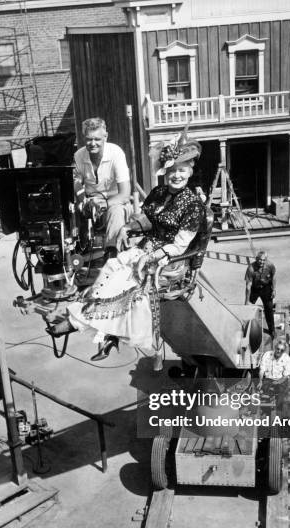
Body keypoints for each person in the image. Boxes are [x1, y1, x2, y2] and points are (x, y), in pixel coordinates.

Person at [49, 131, 204, 360]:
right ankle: (101, 331)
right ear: (165, 173)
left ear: (190, 172)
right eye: (172, 171)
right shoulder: (160, 193)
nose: (176, 176)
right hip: (146, 247)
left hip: (169, 260)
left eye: (181, 171)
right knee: (112, 267)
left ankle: (80, 325)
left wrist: (152, 256)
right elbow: (147, 219)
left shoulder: (192, 205)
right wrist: (127, 228)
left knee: (125, 282)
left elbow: (180, 246)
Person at [72, 117, 131, 259]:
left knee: (115, 211)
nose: (93, 143)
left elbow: (124, 194)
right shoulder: (79, 155)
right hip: (91, 201)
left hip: (115, 200)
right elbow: (75, 182)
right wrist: (84, 201)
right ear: (84, 138)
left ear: (106, 136)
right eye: (88, 139)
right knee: (70, 209)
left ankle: (112, 253)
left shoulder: (116, 153)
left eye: (97, 139)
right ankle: (75, 253)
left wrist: (103, 204)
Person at [245, 251, 276, 337]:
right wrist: (247, 301)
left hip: (266, 288)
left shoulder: (270, 265)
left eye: (264, 260)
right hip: (254, 289)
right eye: (260, 260)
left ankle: (272, 330)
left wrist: (274, 290)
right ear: (256, 259)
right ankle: (245, 327)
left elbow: (274, 278)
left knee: (269, 309)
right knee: (248, 308)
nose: (262, 262)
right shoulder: (251, 268)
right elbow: (248, 285)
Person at [257, 340, 290, 412]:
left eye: (282, 350)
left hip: (281, 379)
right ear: (275, 348)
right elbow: (262, 370)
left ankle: (279, 411)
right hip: (268, 378)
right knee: (264, 391)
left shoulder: (286, 358)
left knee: (281, 394)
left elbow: (286, 375)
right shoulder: (267, 355)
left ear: (284, 351)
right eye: (278, 349)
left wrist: (278, 382)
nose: (279, 351)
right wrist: (260, 381)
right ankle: (265, 410)